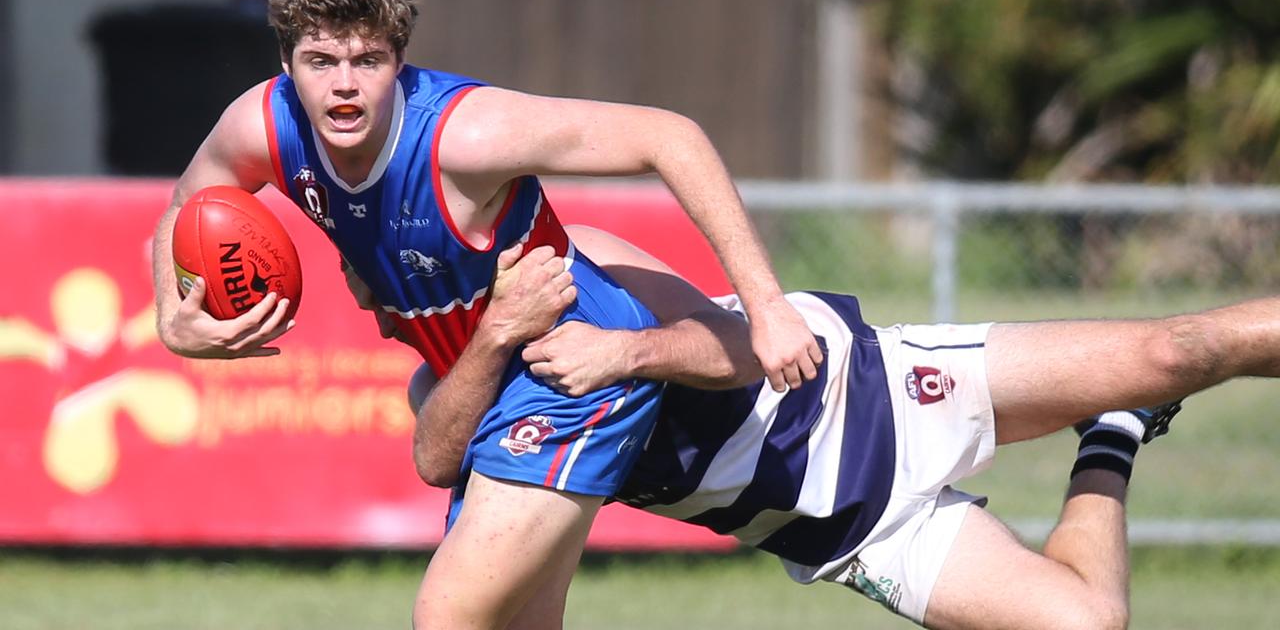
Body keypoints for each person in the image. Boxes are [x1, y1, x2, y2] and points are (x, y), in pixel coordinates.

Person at [149, 0, 822, 629]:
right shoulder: (261, 126)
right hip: (485, 372)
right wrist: (173, 315)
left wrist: (765, 303)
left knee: (447, 617)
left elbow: (668, 136)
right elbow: (185, 206)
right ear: (287, 67)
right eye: (322, 62)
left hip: (570, 365)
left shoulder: (464, 135)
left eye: (368, 61)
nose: (344, 85)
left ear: (399, 63)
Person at [410, 224, 1279, 630]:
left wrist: (621, 357)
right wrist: (487, 342)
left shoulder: (580, 253)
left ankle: (1134, 391)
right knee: (1085, 625)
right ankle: (1114, 432)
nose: (386, 304)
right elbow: (436, 461)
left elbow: (740, 349)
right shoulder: (459, 387)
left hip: (871, 393)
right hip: (847, 531)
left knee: (1181, 348)